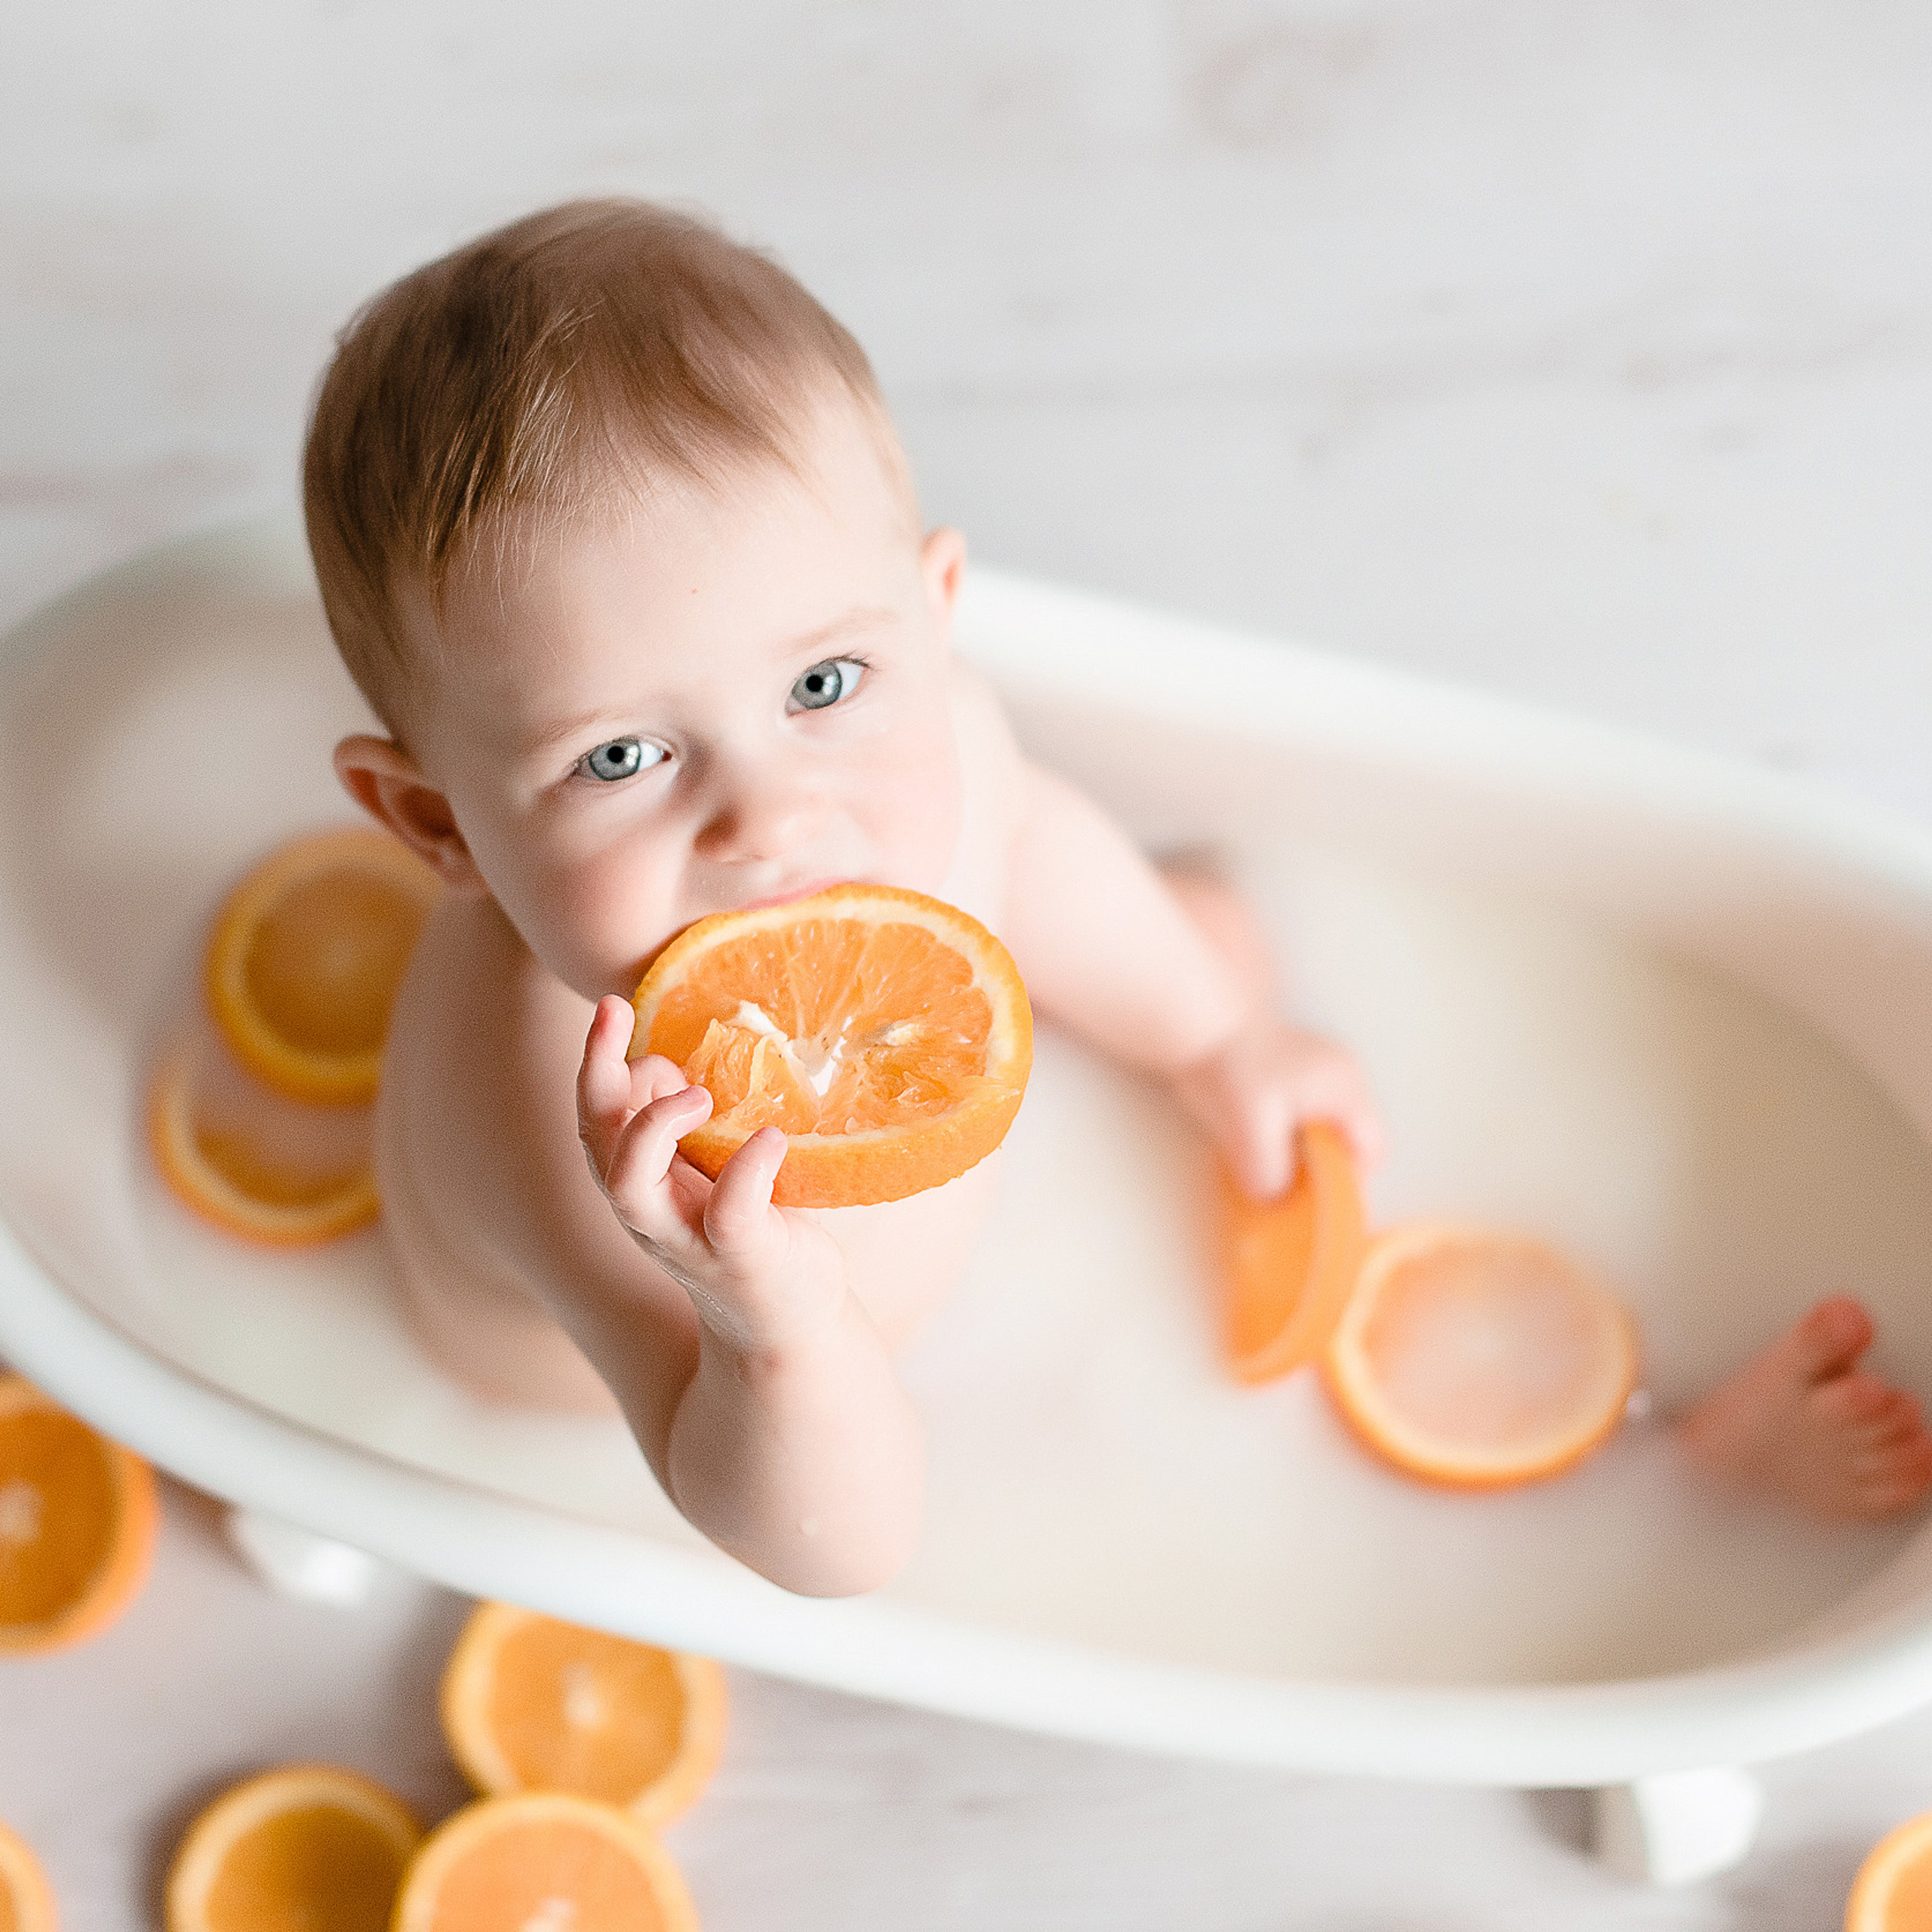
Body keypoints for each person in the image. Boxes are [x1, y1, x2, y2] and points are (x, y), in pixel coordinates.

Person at [304, 199, 1932, 1595]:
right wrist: (768, 1320)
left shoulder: (925, 763)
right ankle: (1667, 1484)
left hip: (945, 1219)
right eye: (621, 758)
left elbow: (1035, 848)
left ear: (935, 619)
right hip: (671, 1419)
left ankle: (1634, 1397)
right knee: (1229, 1471)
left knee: (1224, 956)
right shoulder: (565, 1112)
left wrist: (1215, 1033)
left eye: (821, 677)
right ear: (434, 820)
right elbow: (827, 1547)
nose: (770, 812)